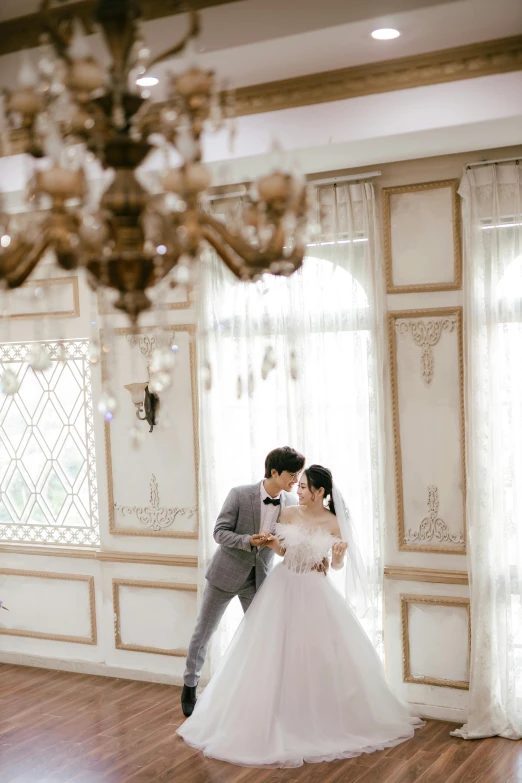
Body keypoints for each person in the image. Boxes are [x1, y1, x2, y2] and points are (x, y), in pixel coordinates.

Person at [177, 464, 423, 768]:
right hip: (282, 585)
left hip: (316, 590)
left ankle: (315, 717)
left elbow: (336, 565)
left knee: (317, 654)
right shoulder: (289, 513)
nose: (298, 489)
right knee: (269, 651)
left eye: (304, 486)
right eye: (298, 483)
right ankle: (261, 711)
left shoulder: (334, 522)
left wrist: (338, 556)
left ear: (320, 492)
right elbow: (283, 550)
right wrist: (267, 542)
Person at [181, 446, 306, 717]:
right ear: (274, 472)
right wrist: (247, 540)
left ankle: (259, 692)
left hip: (260, 579)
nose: (295, 480)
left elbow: (286, 543)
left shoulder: (290, 505)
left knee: (262, 636)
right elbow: (218, 532)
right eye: (291, 474)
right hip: (225, 574)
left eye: (298, 475)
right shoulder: (239, 494)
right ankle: (190, 685)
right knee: (204, 632)